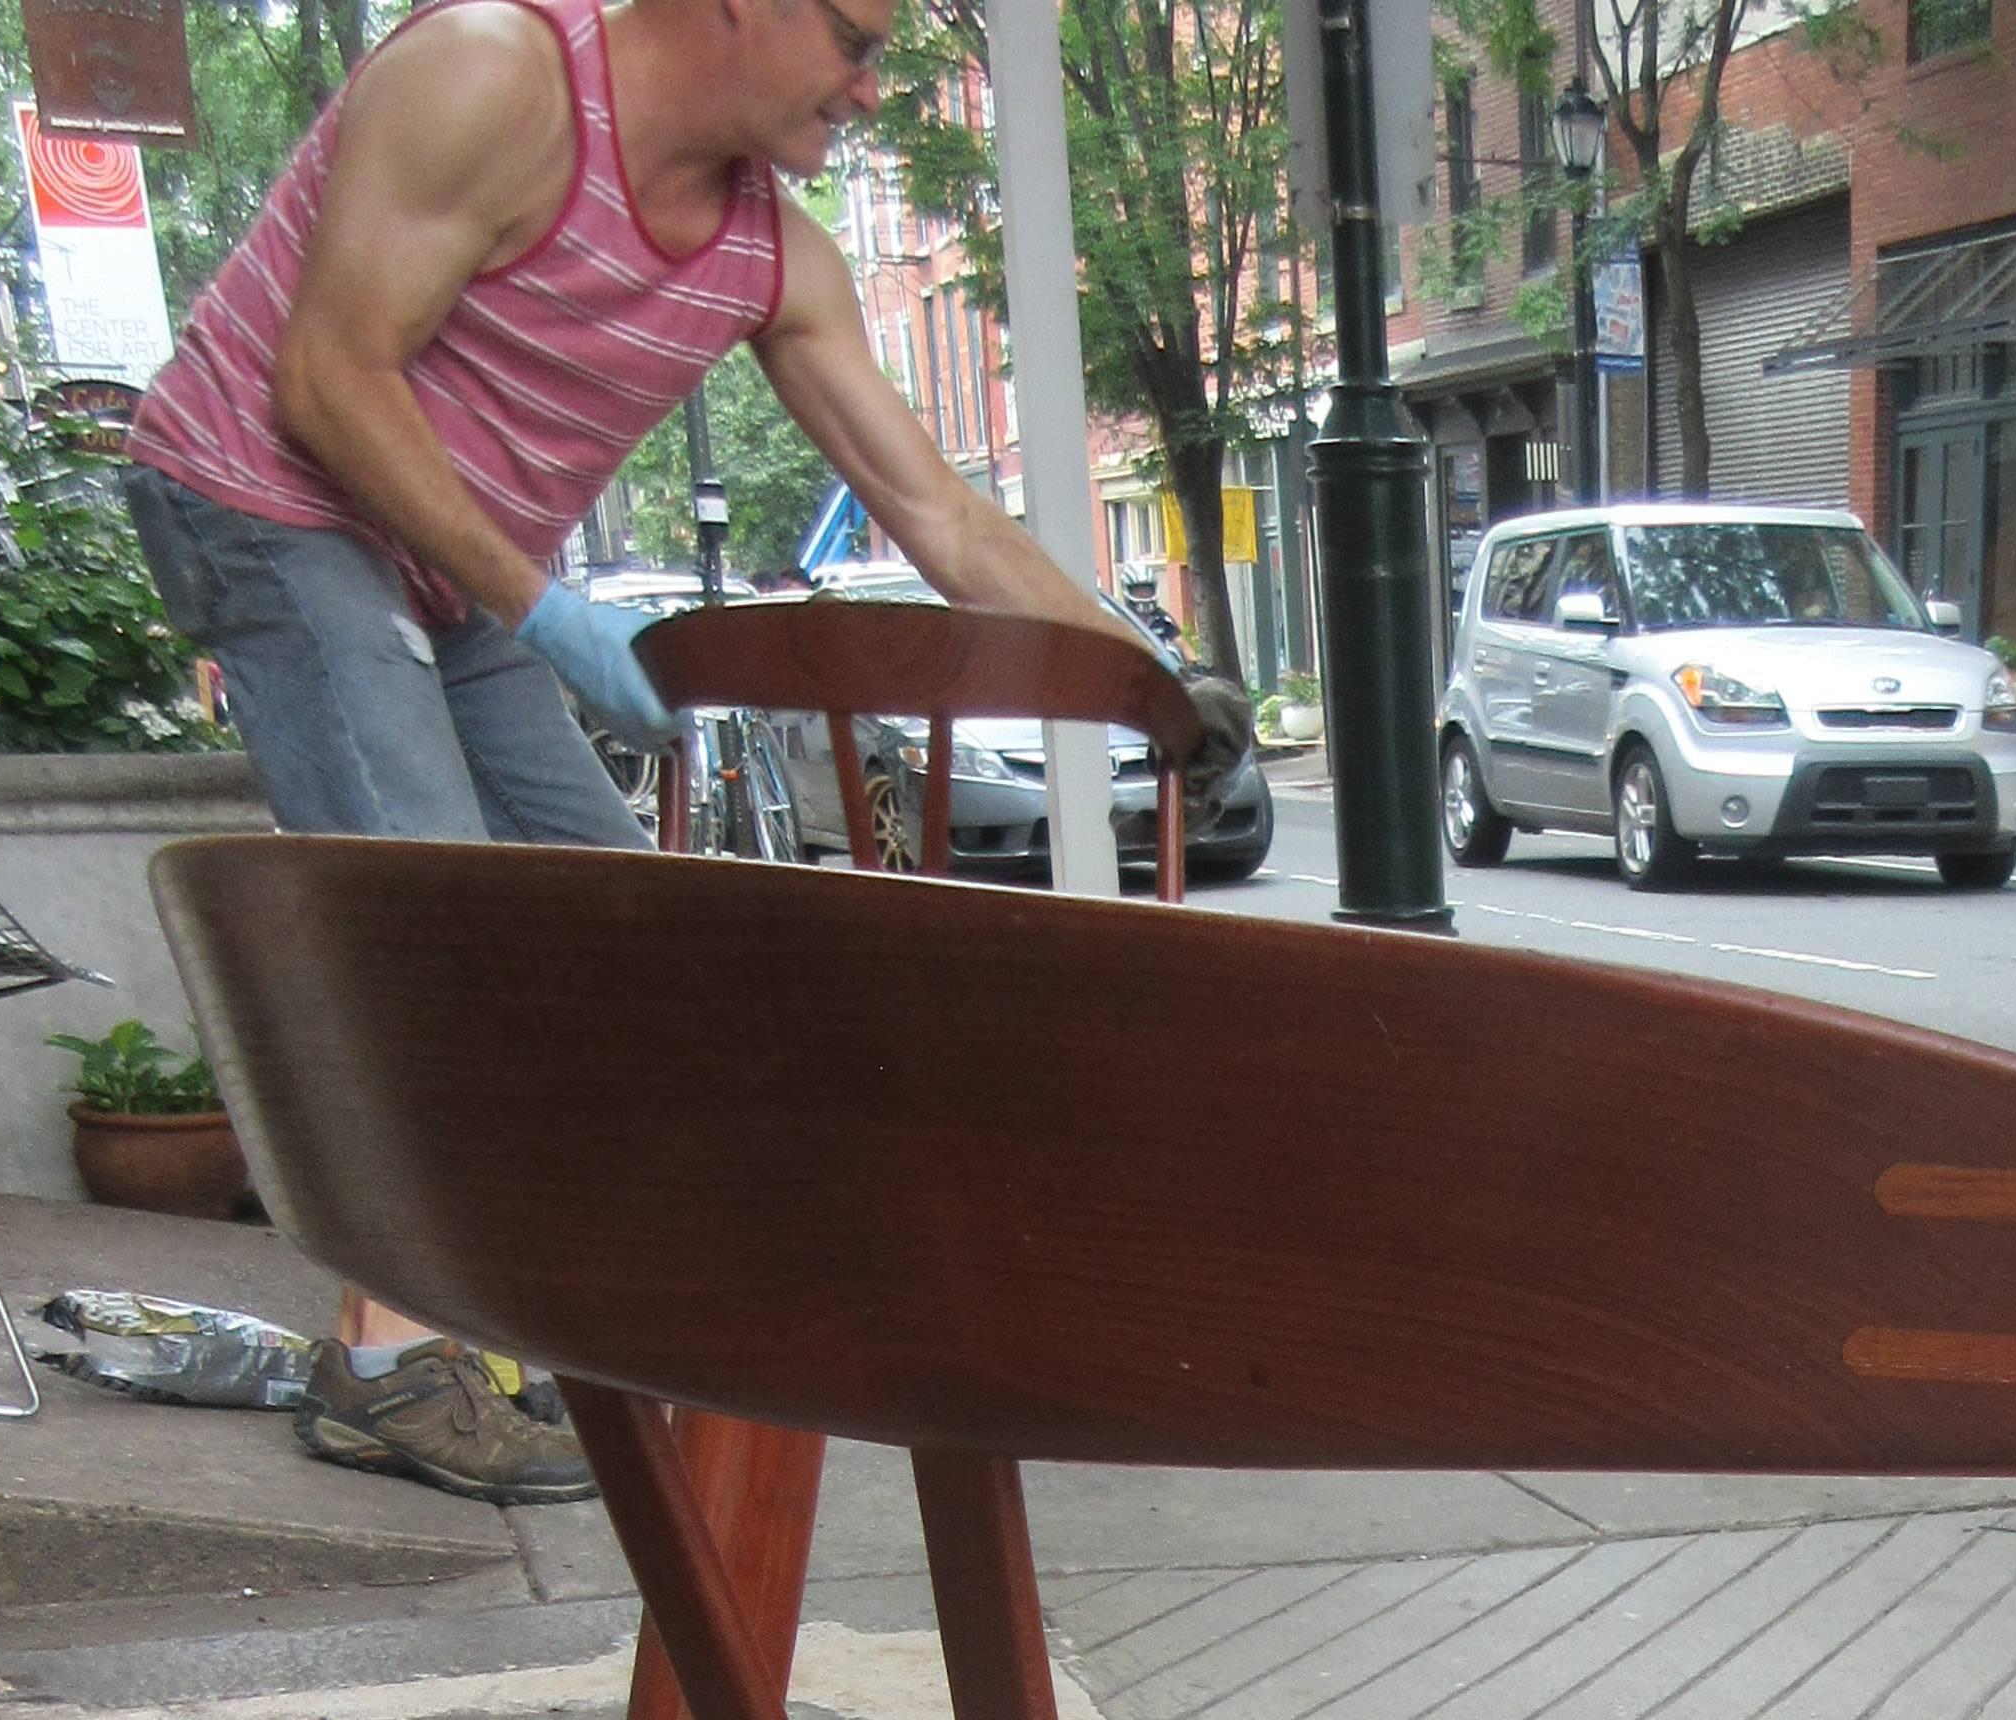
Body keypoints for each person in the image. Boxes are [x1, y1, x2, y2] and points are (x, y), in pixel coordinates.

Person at [127, 0, 1252, 1502]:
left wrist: (1151, 687)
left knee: (618, 929)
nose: (870, 88)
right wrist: (548, 611)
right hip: (271, 500)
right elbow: (327, 379)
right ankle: (386, 1363)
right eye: (854, 41)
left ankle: (567, 1305)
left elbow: (944, 517)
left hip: (456, 568)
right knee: (427, 915)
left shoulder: (771, 255)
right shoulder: (490, 76)